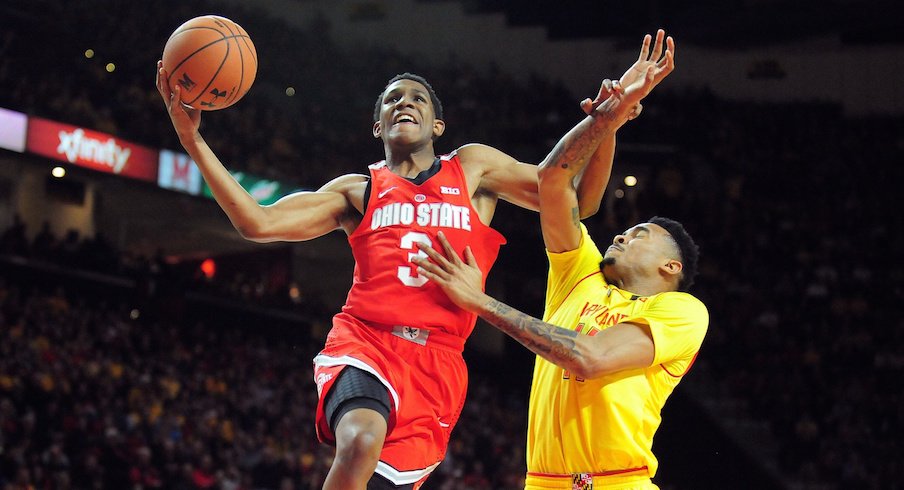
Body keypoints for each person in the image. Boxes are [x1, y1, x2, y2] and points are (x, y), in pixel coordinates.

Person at [155, 30, 671, 488]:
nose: (405, 103)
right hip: (366, 341)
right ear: (377, 126)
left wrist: (612, 120)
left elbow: (576, 199)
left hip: (438, 366)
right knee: (358, 443)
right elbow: (257, 223)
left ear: (438, 124)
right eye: (392, 99)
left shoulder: (473, 169)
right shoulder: (358, 191)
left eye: (418, 98)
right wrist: (191, 138)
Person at [413, 31, 709, 490]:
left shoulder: (681, 311)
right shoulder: (580, 277)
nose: (621, 234)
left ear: (670, 268)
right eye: (626, 229)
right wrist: (609, 118)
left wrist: (480, 302)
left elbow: (588, 357)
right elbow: (554, 181)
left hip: (619, 483)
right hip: (542, 482)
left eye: (640, 235)